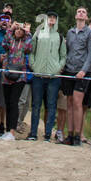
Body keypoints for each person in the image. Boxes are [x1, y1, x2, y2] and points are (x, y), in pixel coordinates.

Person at [60, 7, 91, 147]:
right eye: (79, 11)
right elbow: (67, 50)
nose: (81, 13)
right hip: (69, 70)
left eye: (83, 12)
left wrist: (84, 70)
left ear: (86, 17)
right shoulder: (70, 32)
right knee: (69, 101)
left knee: (77, 102)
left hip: (82, 72)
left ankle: (77, 135)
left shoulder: (90, 33)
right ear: (75, 16)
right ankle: (69, 134)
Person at [28, 12, 65, 142]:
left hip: (53, 77)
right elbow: (31, 51)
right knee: (36, 105)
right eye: (50, 17)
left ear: (56, 20)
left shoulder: (59, 37)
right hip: (38, 75)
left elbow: (63, 56)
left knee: (51, 106)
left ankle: (48, 135)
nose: (52, 20)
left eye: (54, 18)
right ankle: (33, 133)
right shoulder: (38, 33)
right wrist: (33, 65)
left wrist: (58, 68)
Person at [0, 22, 31, 140]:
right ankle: (7, 130)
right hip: (7, 73)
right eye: (17, 29)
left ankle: (12, 131)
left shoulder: (25, 42)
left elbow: (29, 48)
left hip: (19, 76)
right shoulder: (10, 39)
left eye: (20, 30)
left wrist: (27, 33)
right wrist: (10, 28)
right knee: (7, 102)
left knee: (14, 102)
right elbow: (4, 44)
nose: (18, 31)